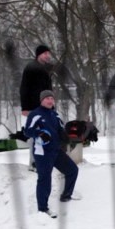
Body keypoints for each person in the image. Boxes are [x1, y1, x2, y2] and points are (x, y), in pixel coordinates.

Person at [24, 90, 79, 218]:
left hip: (56, 151)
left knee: (72, 170)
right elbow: (27, 131)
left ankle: (66, 196)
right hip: (42, 153)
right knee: (45, 179)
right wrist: (39, 134)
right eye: (47, 98)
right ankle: (43, 209)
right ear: (41, 100)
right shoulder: (35, 114)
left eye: (52, 99)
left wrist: (64, 136)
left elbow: (60, 129)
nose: (50, 101)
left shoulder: (55, 114)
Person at [20, 44, 53, 170]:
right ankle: (34, 162)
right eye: (45, 54)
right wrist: (25, 107)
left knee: (45, 132)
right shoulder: (31, 67)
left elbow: (48, 89)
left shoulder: (44, 69)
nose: (47, 56)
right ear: (39, 54)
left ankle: (41, 161)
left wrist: (51, 104)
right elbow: (24, 88)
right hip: (34, 106)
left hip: (45, 106)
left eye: (48, 53)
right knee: (35, 133)